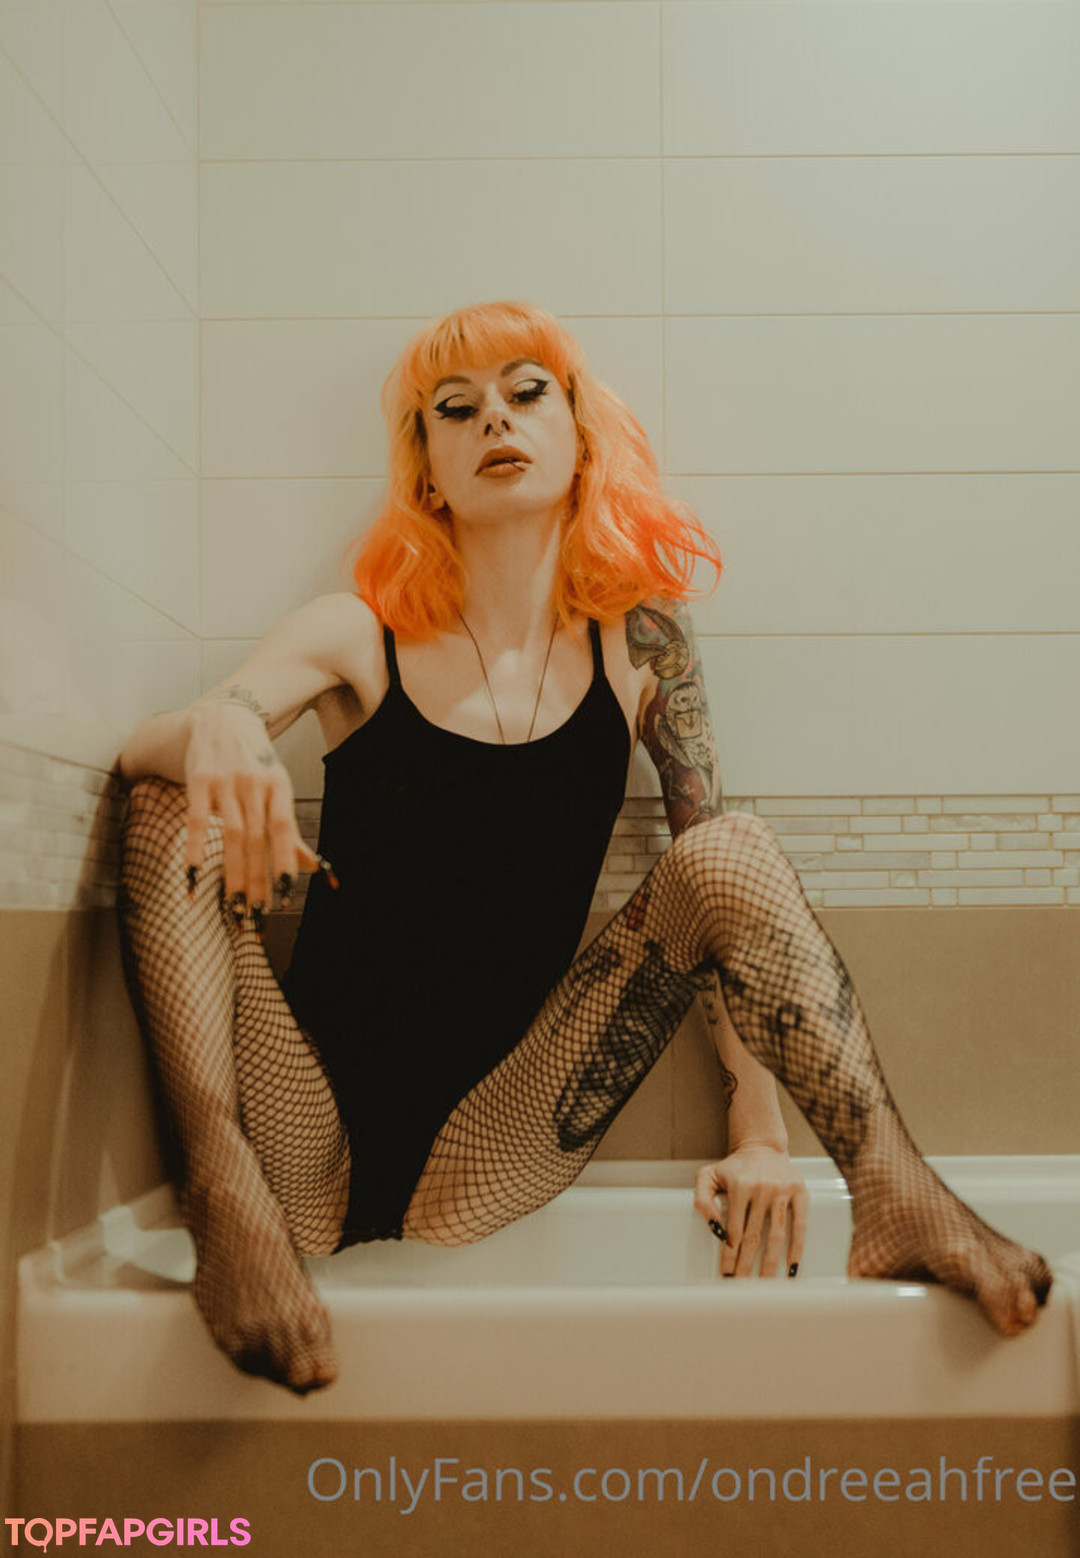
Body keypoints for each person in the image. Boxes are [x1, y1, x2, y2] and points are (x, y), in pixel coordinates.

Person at [116, 299, 1052, 1397]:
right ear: (428, 472)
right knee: (165, 795)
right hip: (299, 1129)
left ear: (578, 437)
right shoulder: (357, 634)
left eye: (526, 393)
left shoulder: (639, 645)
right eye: (455, 409)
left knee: (733, 845)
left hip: (490, 1143)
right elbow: (146, 748)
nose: (494, 420)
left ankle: (899, 1190)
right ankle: (220, 1194)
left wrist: (758, 1135)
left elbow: (719, 884)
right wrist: (220, 726)